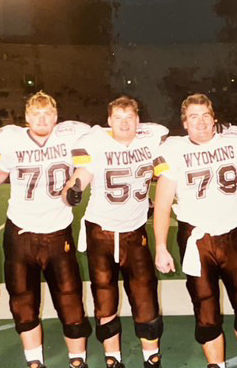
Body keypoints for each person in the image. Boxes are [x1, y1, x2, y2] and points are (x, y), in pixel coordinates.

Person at [153, 93, 237, 368]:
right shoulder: (173, 149)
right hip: (196, 239)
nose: (201, 122)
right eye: (193, 117)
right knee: (205, 308)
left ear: (214, 118)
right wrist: (161, 246)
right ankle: (215, 365)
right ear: (184, 123)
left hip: (232, 234)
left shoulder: (235, 143)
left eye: (206, 115)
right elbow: (161, 204)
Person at [0, 91, 92, 368]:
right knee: (23, 300)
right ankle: (34, 361)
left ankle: (77, 359)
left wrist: (77, 184)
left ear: (56, 117)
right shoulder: (12, 140)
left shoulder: (72, 136)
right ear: (27, 117)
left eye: (47, 114)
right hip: (21, 233)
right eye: (36, 114)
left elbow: (92, 161)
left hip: (58, 232)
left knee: (70, 299)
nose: (42, 119)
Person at [61, 96, 168, 368]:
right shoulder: (96, 142)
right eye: (118, 118)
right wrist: (71, 192)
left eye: (129, 118)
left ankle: (150, 356)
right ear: (108, 121)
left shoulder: (151, 138)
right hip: (102, 231)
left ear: (137, 120)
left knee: (145, 296)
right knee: (105, 296)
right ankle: (113, 357)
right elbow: (80, 175)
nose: (124, 123)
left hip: (134, 230)